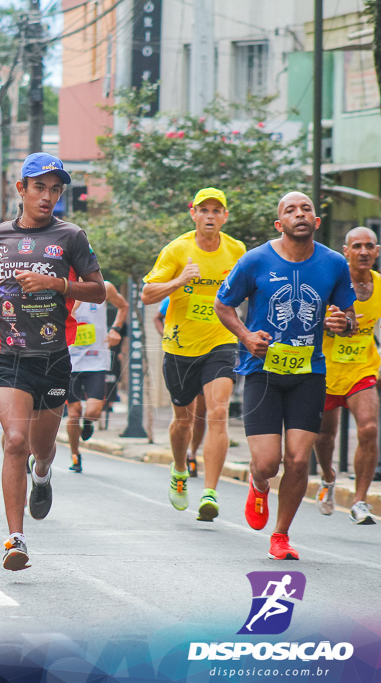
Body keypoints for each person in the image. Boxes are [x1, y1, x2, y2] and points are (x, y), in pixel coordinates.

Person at [0, 153, 106, 571]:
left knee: (41, 449)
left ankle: (41, 474)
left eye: (55, 189)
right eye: (39, 187)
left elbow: (98, 290)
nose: (48, 197)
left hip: (53, 358)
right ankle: (15, 538)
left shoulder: (72, 236)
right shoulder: (0, 236)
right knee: (13, 442)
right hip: (8, 356)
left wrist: (57, 283)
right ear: (21, 189)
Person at [215, 191, 358, 560]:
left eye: (306, 208)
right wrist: (245, 336)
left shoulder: (334, 263)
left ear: (316, 221)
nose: (300, 214)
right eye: (290, 210)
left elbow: (349, 318)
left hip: (309, 372)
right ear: (280, 224)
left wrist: (342, 323)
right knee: (269, 462)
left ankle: (281, 535)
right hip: (262, 371)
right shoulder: (255, 260)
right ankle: (258, 482)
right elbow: (223, 303)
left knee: (297, 460)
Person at [141, 188, 246, 521]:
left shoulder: (236, 250)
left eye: (217, 210)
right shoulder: (177, 249)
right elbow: (146, 294)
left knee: (217, 412)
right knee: (182, 420)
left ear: (225, 216)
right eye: (204, 210)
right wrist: (179, 281)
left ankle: (210, 493)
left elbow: (248, 291)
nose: (211, 216)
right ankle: (179, 467)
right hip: (180, 347)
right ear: (193, 214)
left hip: (220, 342)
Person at [314, 226, 380, 525]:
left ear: (377, 252)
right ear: (346, 251)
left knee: (368, 429)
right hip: (327, 370)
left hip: (362, 370)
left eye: (369, 246)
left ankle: (360, 501)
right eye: (357, 246)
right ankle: (328, 477)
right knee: (325, 436)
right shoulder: (331, 284)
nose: (364, 252)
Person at [65, 281, 129, 473]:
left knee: (92, 411)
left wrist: (115, 329)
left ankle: (89, 423)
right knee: (74, 412)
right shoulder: (62, 287)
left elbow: (123, 306)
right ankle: (75, 454)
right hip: (69, 362)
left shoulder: (105, 288)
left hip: (96, 361)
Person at [154, 297, 206, 477]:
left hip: (209, 357)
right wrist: (166, 336)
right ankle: (181, 459)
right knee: (185, 419)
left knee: (201, 415)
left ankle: (193, 453)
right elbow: (157, 317)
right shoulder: (176, 295)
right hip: (183, 358)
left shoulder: (214, 289)